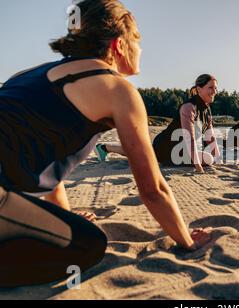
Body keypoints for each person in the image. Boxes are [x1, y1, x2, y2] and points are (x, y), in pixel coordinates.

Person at [0, 0, 211, 288]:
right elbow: (153, 189)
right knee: (87, 244)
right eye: (137, 40)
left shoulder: (27, 75)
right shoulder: (117, 89)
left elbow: (50, 163)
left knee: (73, 230)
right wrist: (187, 241)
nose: (141, 49)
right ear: (118, 45)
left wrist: (61, 217)